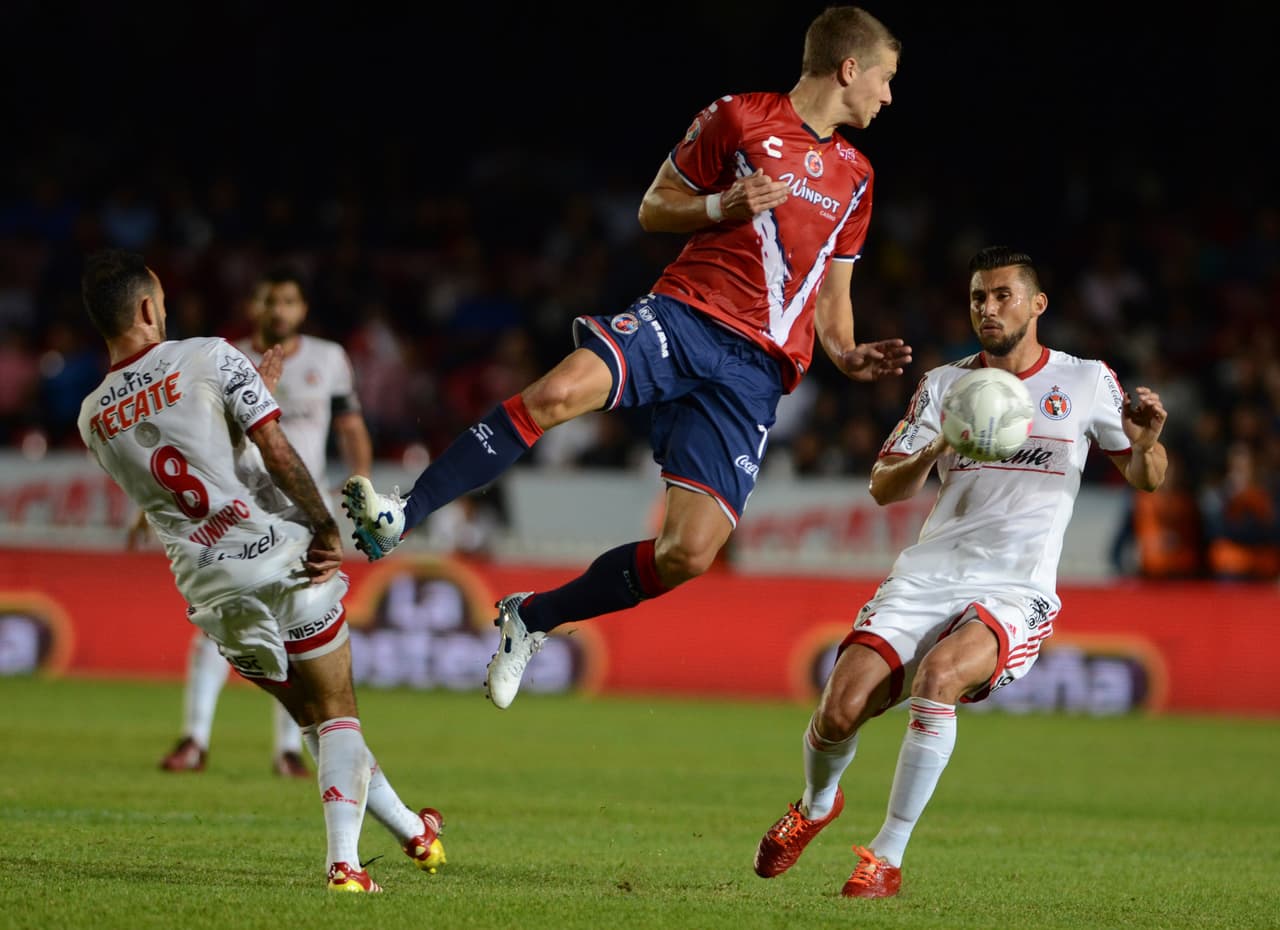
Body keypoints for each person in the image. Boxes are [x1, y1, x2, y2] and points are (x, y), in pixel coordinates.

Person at [342, 5, 913, 709]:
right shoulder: (738, 118)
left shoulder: (857, 175)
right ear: (849, 69)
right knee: (554, 396)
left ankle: (534, 617)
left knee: (688, 555)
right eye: (885, 78)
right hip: (687, 315)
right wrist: (719, 208)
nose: (889, 95)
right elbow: (654, 206)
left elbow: (833, 295)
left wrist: (849, 353)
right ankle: (404, 511)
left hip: (755, 374)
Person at [751, 245, 1168, 898]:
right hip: (927, 575)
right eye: (979, 296)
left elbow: (1147, 479)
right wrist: (945, 440)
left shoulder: (1085, 381)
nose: (989, 307)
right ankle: (815, 803)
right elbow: (884, 487)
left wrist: (1145, 445)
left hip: (1014, 588)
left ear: (1038, 305)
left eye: (1004, 295)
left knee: (941, 676)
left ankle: (885, 856)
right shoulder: (945, 386)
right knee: (838, 710)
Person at [78, 250, 443, 892]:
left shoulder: (93, 416)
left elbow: (191, 470)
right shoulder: (210, 354)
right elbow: (274, 449)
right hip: (279, 555)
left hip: (209, 588)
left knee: (311, 718)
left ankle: (413, 831)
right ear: (145, 308)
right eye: (160, 301)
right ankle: (344, 867)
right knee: (337, 711)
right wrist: (326, 526)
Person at [155, 267, 373, 778]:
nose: (280, 311)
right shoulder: (219, 358)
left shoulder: (330, 359)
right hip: (239, 508)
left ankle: (289, 750)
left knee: (300, 621)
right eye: (270, 300)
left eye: (289, 301)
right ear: (254, 307)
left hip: (305, 507)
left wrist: (360, 474)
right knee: (222, 618)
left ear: (303, 310)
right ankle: (195, 737)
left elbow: (350, 425)